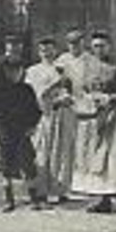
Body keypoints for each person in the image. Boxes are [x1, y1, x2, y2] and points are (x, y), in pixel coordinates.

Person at [72, 32, 116, 216]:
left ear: (110, 46)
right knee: (96, 156)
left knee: (115, 157)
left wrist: (111, 98)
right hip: (95, 114)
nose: (99, 49)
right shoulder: (88, 66)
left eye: (103, 45)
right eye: (96, 46)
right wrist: (89, 99)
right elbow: (82, 87)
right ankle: (101, 199)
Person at [0, 42, 44, 212]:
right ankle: (9, 200)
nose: (15, 74)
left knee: (28, 163)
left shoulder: (26, 90)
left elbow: (36, 111)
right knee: (5, 164)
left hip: (23, 131)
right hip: (5, 131)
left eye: (19, 71)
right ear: (5, 73)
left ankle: (34, 199)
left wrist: (32, 126)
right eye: (11, 71)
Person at [24, 36, 77, 205]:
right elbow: (33, 95)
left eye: (50, 49)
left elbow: (72, 89)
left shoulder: (63, 68)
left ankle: (61, 190)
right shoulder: (33, 71)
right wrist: (53, 88)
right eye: (43, 50)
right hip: (44, 115)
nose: (47, 53)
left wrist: (67, 97)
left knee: (62, 151)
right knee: (42, 151)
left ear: (55, 50)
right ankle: (41, 190)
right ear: (39, 52)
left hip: (63, 114)